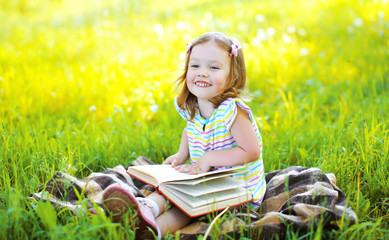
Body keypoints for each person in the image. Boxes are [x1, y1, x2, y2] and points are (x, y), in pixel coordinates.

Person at [102, 32, 266, 239]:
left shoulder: (233, 112)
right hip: (206, 180)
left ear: (233, 76)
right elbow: (191, 130)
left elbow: (251, 151)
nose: (202, 73)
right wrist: (181, 154)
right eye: (195, 66)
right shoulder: (195, 107)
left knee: (186, 205)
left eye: (214, 67)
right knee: (170, 187)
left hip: (238, 190)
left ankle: (152, 231)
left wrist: (208, 159)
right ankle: (142, 212)